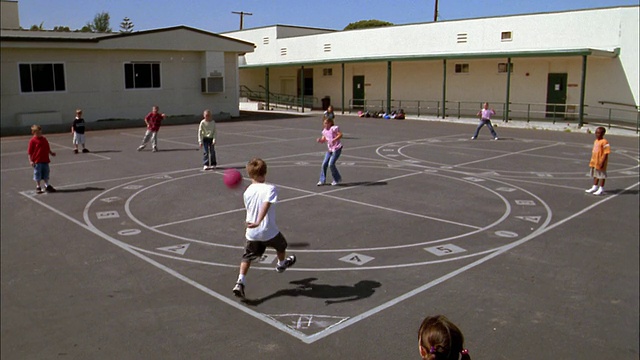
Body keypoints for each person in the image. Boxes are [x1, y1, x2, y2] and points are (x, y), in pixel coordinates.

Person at [233, 158, 296, 298]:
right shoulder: (270, 188)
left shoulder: (247, 191)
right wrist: (258, 221)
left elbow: (250, 208)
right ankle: (281, 264)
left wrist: (253, 222)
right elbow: (266, 204)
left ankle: (240, 281)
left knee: (247, 257)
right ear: (265, 172)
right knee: (282, 245)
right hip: (268, 230)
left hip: (252, 232)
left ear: (249, 175)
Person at [27, 125, 57, 194]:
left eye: (40, 133)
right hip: (37, 161)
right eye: (37, 133)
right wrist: (31, 161)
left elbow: (47, 148)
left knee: (46, 172)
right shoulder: (32, 141)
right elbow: (30, 152)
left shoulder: (44, 139)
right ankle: (38, 186)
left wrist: (51, 153)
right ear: (33, 133)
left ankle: (47, 185)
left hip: (45, 160)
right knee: (38, 173)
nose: (39, 134)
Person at [316, 117, 343, 186]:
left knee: (331, 164)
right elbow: (323, 139)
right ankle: (322, 180)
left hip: (337, 149)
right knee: (324, 164)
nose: (325, 125)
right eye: (324, 123)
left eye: (326, 123)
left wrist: (334, 139)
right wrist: (320, 140)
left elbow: (340, 135)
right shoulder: (324, 131)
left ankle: (336, 179)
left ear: (330, 123)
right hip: (330, 150)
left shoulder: (333, 128)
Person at [585, 126, 611, 196]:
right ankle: (595, 186)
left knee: (601, 175)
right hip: (594, 161)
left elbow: (606, 152)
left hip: (600, 161)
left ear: (603, 134)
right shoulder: (596, 141)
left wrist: (602, 162)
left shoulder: (605, 142)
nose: (597, 134)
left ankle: (601, 188)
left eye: (599, 133)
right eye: (596, 133)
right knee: (595, 174)